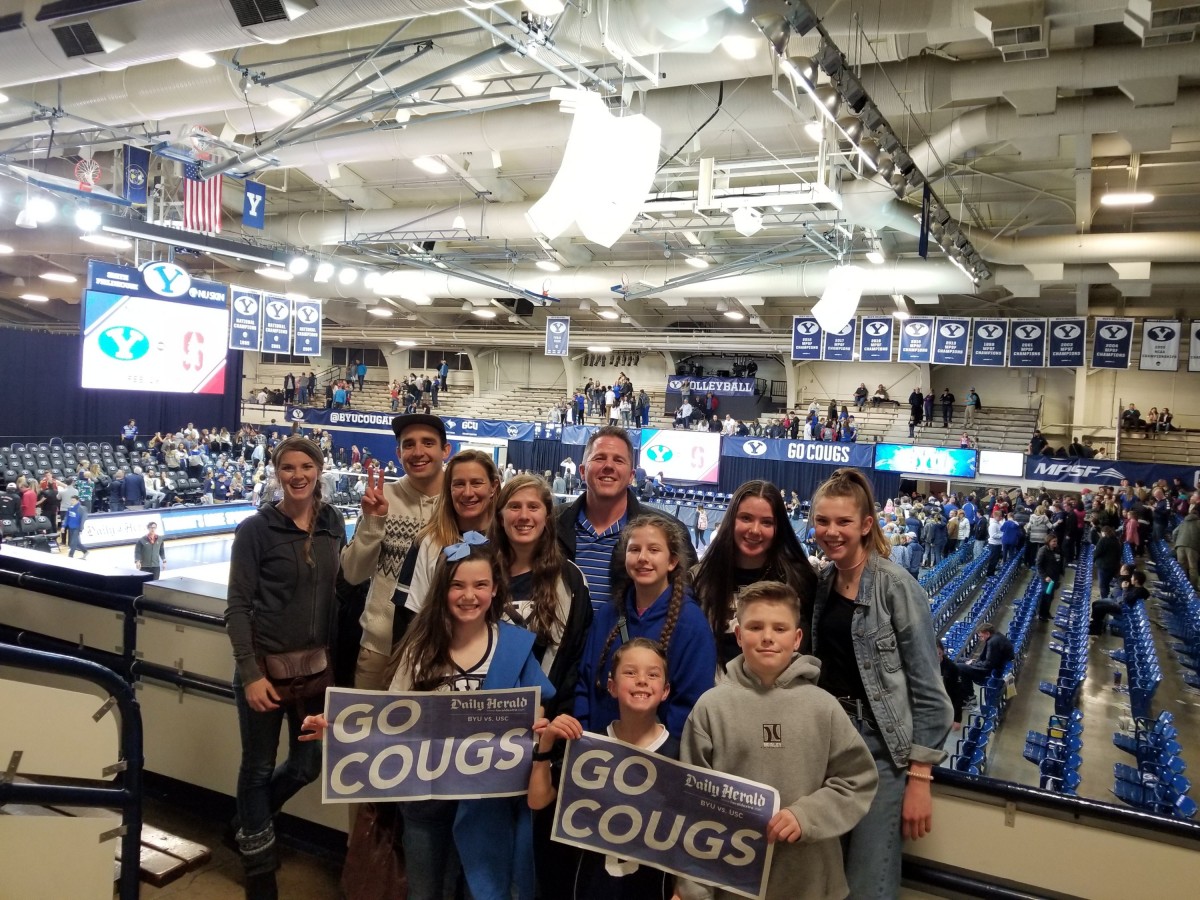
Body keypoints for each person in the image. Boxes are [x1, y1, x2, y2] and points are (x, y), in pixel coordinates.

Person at [305, 539, 554, 900]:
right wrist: (338, 728)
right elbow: (389, 719)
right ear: (442, 589)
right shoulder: (420, 648)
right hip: (424, 797)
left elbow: (535, 715)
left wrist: (539, 730)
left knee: (479, 890)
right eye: (458, 585)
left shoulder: (513, 647)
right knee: (424, 891)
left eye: (480, 585)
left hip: (485, 804)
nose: (469, 595)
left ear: (495, 588)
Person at [675, 581, 878, 900]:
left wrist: (806, 816)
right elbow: (691, 803)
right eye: (755, 627)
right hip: (733, 882)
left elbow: (857, 780)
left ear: (797, 638)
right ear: (739, 635)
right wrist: (692, 888)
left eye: (779, 628)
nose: (767, 637)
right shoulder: (711, 708)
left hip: (811, 881)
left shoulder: (823, 706)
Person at [808, 468, 951, 899]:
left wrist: (919, 779)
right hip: (829, 744)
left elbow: (929, 690)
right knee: (827, 882)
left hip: (879, 752)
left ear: (866, 524)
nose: (831, 532)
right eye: (822, 521)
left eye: (843, 522)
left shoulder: (896, 587)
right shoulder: (824, 582)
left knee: (868, 884)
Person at [224, 435, 346, 898]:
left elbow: (342, 584)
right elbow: (237, 606)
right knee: (256, 769)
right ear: (278, 474)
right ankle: (260, 867)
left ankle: (245, 823)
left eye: (306, 467)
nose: (298, 475)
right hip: (263, 671)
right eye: (288, 468)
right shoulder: (256, 530)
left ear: (319, 471)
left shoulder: (333, 522)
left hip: (315, 671)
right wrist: (250, 673)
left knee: (307, 765)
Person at [529, 638, 677, 900]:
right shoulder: (589, 747)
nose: (641, 680)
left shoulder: (679, 754)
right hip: (592, 887)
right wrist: (546, 743)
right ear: (612, 686)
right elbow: (539, 800)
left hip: (654, 890)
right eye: (630, 672)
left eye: (652, 674)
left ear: (665, 690)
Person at [575, 515, 715, 737]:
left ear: (672, 561)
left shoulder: (692, 625)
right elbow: (585, 682)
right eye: (634, 549)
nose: (642, 558)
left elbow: (691, 705)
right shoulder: (608, 614)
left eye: (654, 550)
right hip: (599, 749)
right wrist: (584, 736)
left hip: (657, 759)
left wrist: (663, 753)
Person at [340, 413, 450, 690]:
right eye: (409, 444)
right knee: (367, 732)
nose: (418, 452)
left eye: (428, 443)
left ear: (445, 451)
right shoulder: (382, 497)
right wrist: (374, 522)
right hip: (380, 651)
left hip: (442, 652)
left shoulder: (460, 502)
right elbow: (353, 574)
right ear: (398, 453)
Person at [554, 426, 693, 609]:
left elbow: (686, 603)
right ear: (582, 471)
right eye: (599, 458)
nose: (609, 466)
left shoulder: (670, 531)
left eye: (619, 460)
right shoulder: (552, 524)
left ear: (631, 476)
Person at [692, 480, 817, 668]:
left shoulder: (800, 580)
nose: (755, 530)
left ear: (778, 528)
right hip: (715, 692)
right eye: (746, 518)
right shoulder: (700, 579)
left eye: (767, 522)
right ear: (731, 520)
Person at [402, 449, 501, 617]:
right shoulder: (429, 543)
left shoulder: (507, 542)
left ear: (493, 487)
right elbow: (408, 618)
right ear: (449, 489)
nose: (468, 493)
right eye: (459, 484)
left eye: (477, 483)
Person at [1089, 569, 1149, 635]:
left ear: (1136, 581)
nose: (1131, 578)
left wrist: (1124, 588)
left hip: (1123, 608)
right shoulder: (1137, 588)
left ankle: (1096, 627)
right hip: (1122, 604)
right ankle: (1096, 624)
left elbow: (1126, 599)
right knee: (1096, 604)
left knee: (1099, 607)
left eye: (1132, 577)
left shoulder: (1138, 591)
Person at [955, 623, 1014, 687]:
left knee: (960, 666)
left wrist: (973, 663)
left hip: (990, 672)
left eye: (981, 636)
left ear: (987, 634)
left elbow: (988, 664)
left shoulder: (992, 642)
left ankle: (969, 693)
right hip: (996, 665)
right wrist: (974, 662)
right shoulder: (998, 636)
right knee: (960, 659)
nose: (980, 639)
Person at [1036, 534, 1065, 620]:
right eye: (1053, 541)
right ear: (1048, 542)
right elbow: (1038, 565)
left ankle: (1046, 612)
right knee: (1046, 595)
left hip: (1055, 576)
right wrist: (1045, 576)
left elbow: (1060, 561)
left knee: (1051, 596)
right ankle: (1041, 614)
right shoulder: (1043, 550)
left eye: (1056, 541)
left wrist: (1061, 573)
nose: (1055, 543)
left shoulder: (1058, 550)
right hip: (1047, 578)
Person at [1172, 504, 1200, 590]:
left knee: (1182, 566)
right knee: (1193, 568)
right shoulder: (1198, 522)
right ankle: (1193, 587)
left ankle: (1184, 587)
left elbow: (1174, 532)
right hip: (1193, 547)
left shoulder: (1184, 522)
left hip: (1179, 545)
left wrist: (1176, 543)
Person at [62, 494, 87, 559]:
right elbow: (67, 518)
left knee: (73, 543)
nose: (72, 502)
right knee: (77, 542)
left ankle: (70, 556)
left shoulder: (81, 509)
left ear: (77, 501)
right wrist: (63, 526)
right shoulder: (70, 508)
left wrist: (81, 528)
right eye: (71, 500)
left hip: (77, 528)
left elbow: (83, 519)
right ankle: (85, 551)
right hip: (71, 527)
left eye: (73, 500)